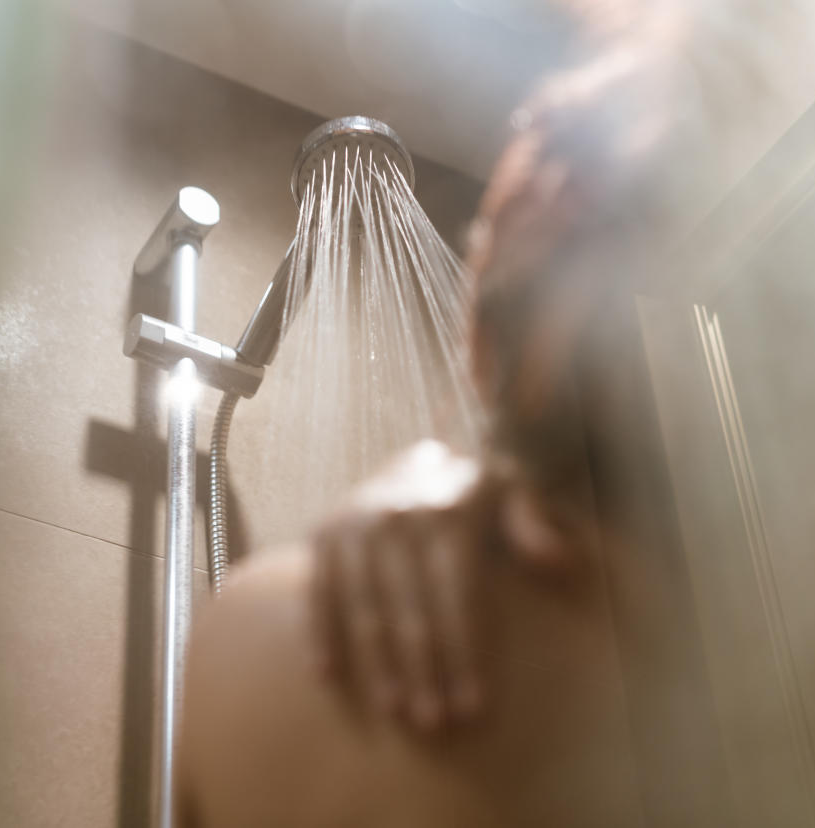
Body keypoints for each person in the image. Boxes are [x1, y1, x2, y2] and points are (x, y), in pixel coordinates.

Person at [177, 7, 732, 826]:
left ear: (474, 338)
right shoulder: (788, 663)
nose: (547, 116)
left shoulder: (275, 642)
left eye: (565, 128)